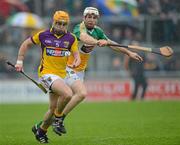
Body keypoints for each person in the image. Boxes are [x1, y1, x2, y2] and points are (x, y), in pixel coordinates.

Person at [15, 10, 87, 143]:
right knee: (67, 94)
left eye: (64, 24)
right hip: (47, 74)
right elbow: (26, 44)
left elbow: (76, 54)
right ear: (53, 22)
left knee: (52, 109)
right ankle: (59, 119)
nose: (61, 26)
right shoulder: (43, 35)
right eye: (58, 23)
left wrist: (77, 60)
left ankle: (40, 131)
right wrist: (19, 61)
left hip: (62, 74)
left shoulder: (71, 38)